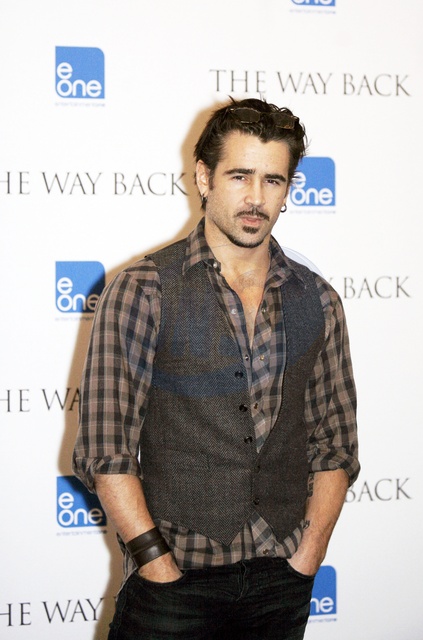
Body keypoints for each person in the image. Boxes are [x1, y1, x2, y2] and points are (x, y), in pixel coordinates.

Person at [73, 97, 359, 640]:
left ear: (288, 189)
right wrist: (157, 567)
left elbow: (336, 444)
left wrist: (308, 556)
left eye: (273, 180)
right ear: (204, 177)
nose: (256, 198)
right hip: (174, 583)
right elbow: (106, 451)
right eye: (239, 176)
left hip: (282, 580)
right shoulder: (143, 290)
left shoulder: (318, 299)